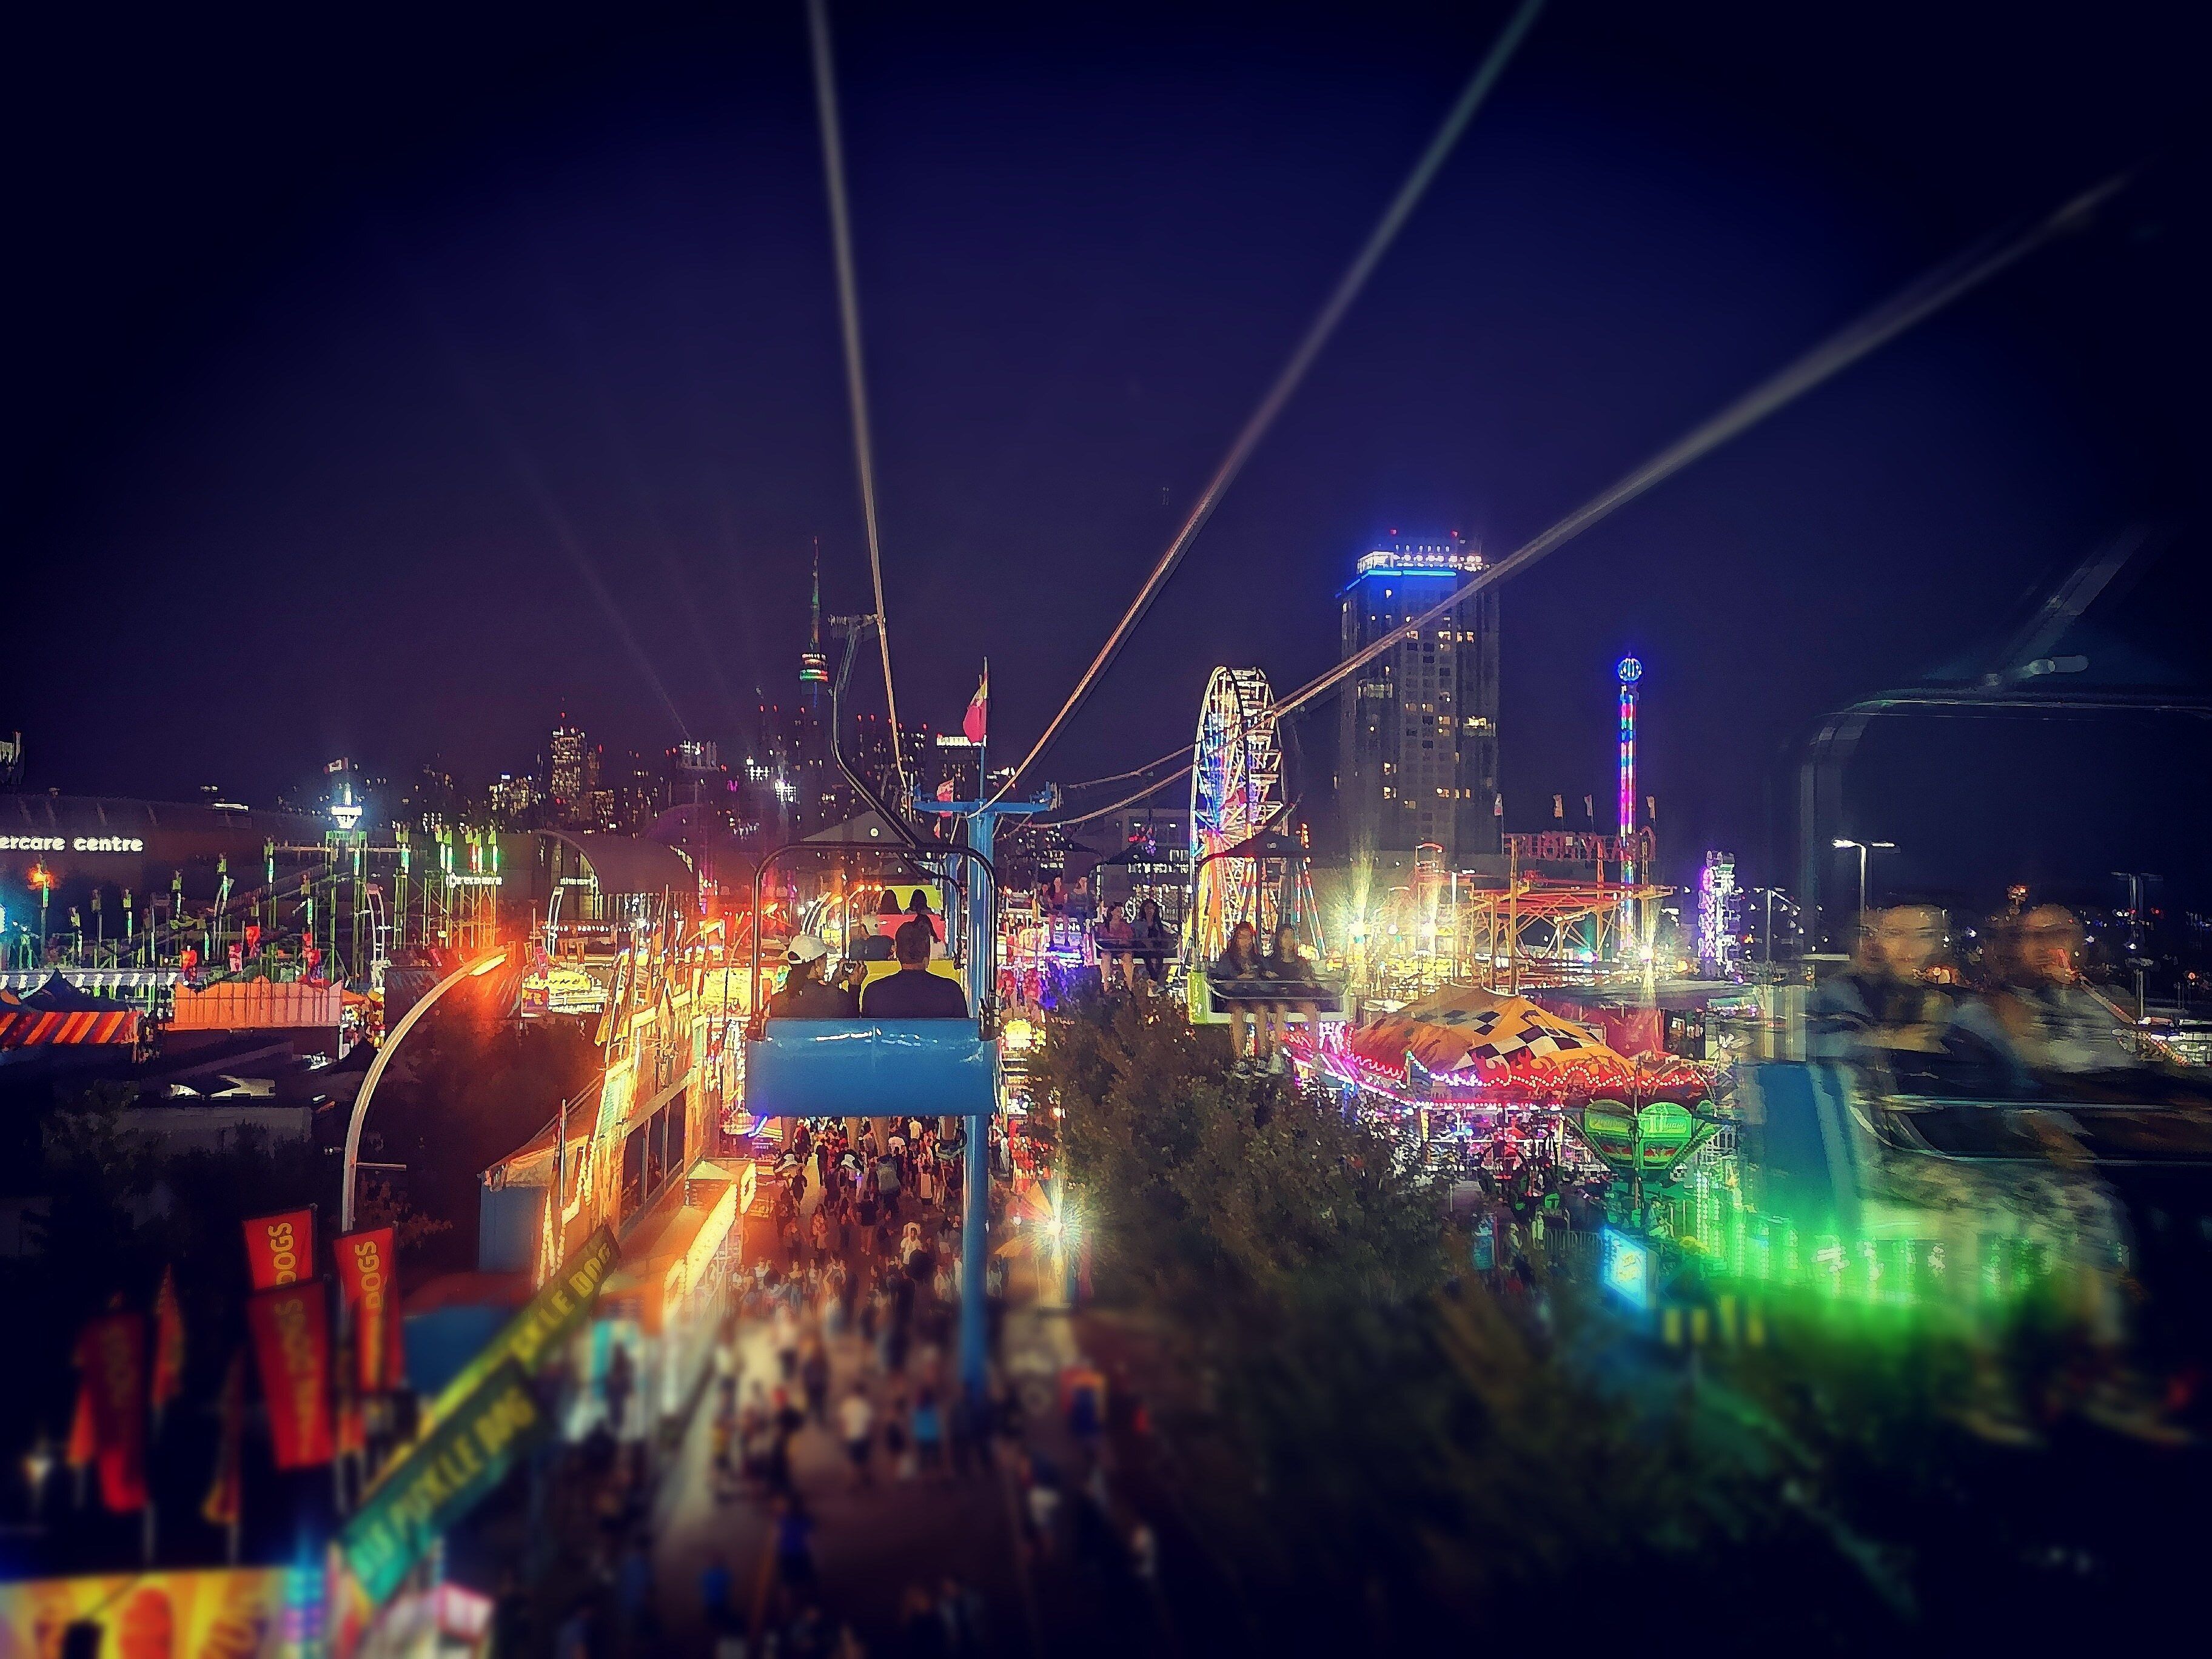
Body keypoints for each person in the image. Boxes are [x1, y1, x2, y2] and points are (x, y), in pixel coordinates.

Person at [859, 923, 970, 1019]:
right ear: (928, 953)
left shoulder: (874, 992)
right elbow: (965, 1037)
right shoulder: (951, 992)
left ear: (897, 954)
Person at [1258, 921, 1318, 1066]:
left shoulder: (1301, 963)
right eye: (1286, 937)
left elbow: (1309, 982)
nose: (1289, 941)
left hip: (1296, 995)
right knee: (1280, 1008)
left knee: (1311, 1009)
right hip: (1278, 996)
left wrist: (1309, 983)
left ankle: (1316, 1051)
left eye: (1292, 937)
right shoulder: (1271, 962)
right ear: (1279, 939)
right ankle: (1276, 1051)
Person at [771, 936, 859, 1019]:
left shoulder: (777, 1003)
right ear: (817, 964)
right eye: (825, 959)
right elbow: (853, 1025)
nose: (826, 965)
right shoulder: (840, 1000)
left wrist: (835, 981)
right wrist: (854, 987)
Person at [1211, 919, 1263, 1060]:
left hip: (1253, 996)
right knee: (1239, 1012)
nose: (1246, 942)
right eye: (1242, 937)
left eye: (1249, 938)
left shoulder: (1258, 960)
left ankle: (1265, 1055)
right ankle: (1240, 1057)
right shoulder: (1228, 960)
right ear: (1236, 939)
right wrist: (1240, 978)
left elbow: (1266, 984)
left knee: (1262, 1010)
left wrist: (1259, 977)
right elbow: (1222, 985)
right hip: (1233, 997)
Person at [1131, 898, 1171, 996]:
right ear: (1143, 909)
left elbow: (1167, 933)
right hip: (1141, 949)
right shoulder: (1138, 923)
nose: (1150, 910)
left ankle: (1154, 980)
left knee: (1160, 957)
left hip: (1154, 948)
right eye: (1147, 908)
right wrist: (1145, 942)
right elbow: (1135, 937)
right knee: (1147, 957)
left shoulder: (1158, 924)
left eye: (1152, 908)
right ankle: (1154, 980)